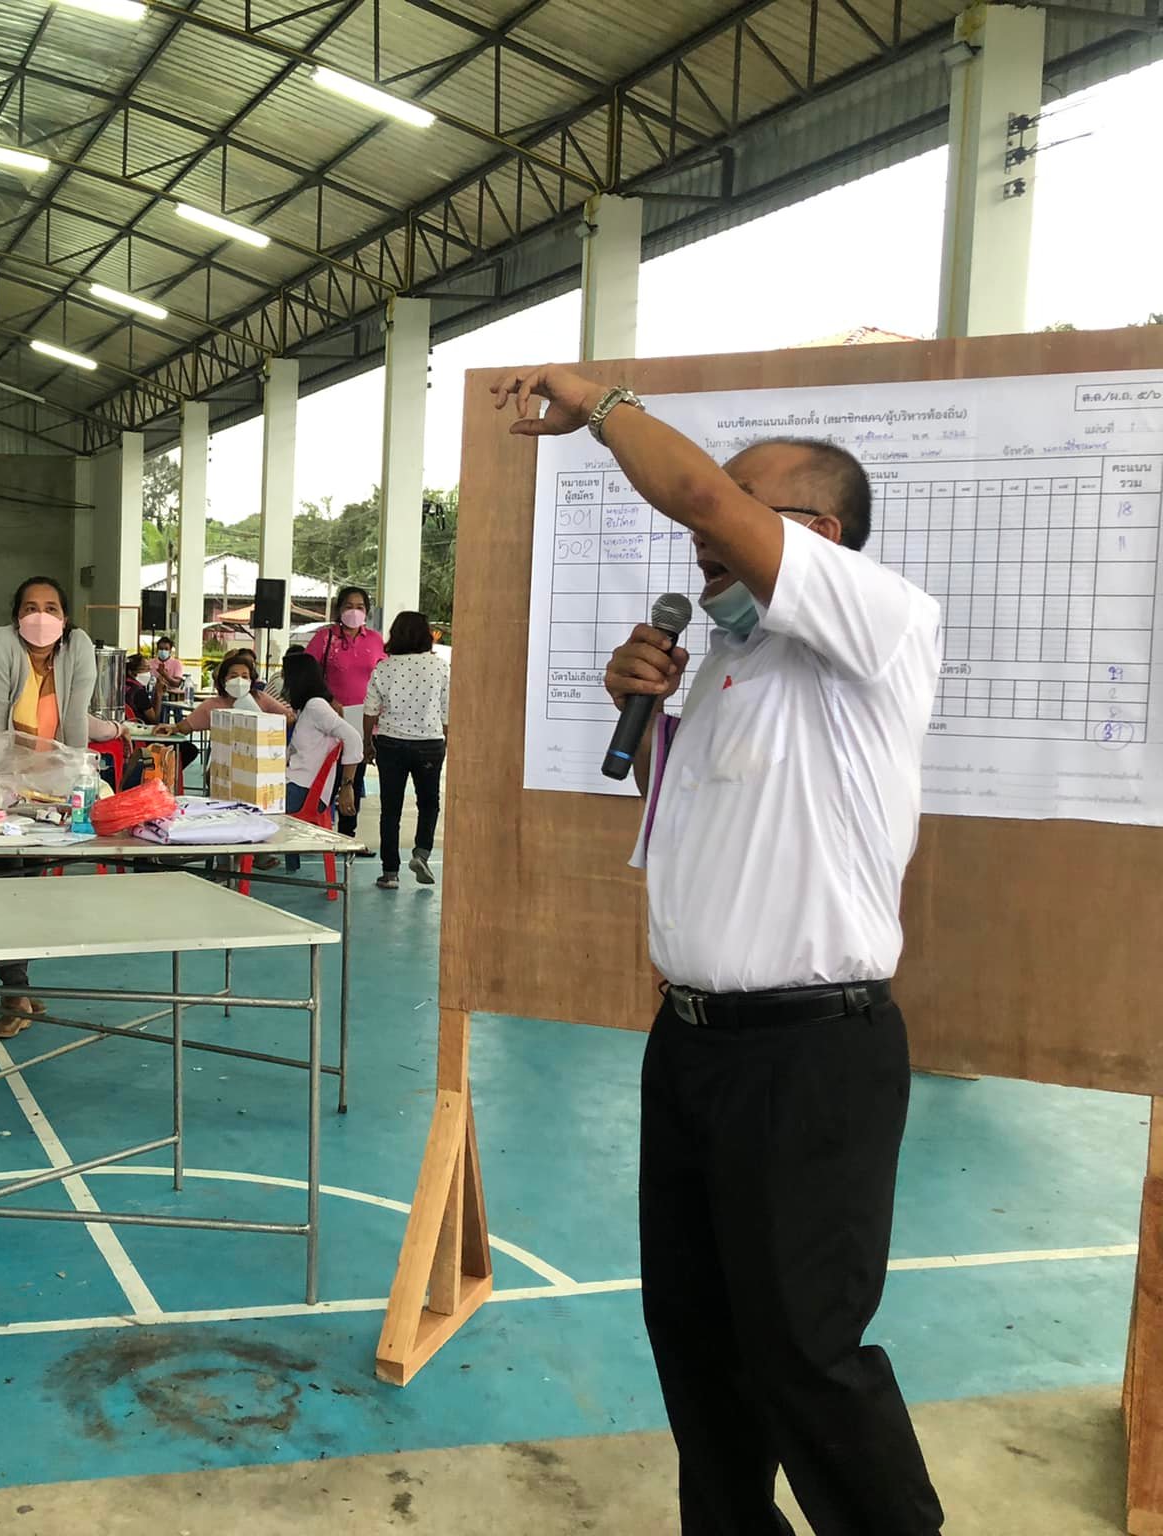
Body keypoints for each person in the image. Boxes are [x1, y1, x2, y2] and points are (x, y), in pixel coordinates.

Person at [496, 362, 945, 1536]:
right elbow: (697, 834)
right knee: (696, 1340)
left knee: (805, 1352)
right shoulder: (731, 672)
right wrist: (639, 713)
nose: (708, 527)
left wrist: (599, 408)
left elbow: (696, 495)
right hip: (691, 1044)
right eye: (722, 502)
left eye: (749, 504)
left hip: (809, 1056)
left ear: (820, 534)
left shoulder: (878, 621)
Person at [0, 576, 129, 1038]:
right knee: (6, 887)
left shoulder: (76, 648)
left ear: (65, 617)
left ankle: (19, 985)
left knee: (29, 888)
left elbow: (76, 720)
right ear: (16, 615)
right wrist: (2, 788)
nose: (41, 616)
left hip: (54, 788)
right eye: (31, 607)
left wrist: (78, 784)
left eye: (52, 608)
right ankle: (14, 992)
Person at [363, 612, 449, 891]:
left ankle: (390, 873)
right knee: (428, 803)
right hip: (429, 743)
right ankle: (421, 853)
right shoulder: (440, 667)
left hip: (391, 743)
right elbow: (447, 710)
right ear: (426, 635)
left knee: (391, 810)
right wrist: (443, 742)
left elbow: (370, 711)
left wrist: (368, 743)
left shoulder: (384, 668)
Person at [306, 586, 386, 841]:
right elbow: (305, 673)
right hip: (328, 721)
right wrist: (328, 699)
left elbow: (383, 675)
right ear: (339, 610)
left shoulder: (374, 639)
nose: (354, 612)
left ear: (367, 612)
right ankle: (319, 832)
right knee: (326, 777)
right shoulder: (324, 638)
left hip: (362, 720)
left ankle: (348, 836)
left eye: (360, 607)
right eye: (349, 606)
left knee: (355, 777)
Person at [277, 650, 361, 872]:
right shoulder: (307, 708)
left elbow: (353, 737)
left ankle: (245, 860)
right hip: (296, 784)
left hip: (304, 791)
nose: (282, 681)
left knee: (248, 805)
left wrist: (347, 786)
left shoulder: (317, 707)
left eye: (285, 675)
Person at [171, 648, 294, 733]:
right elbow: (186, 726)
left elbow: (289, 718)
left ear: (251, 681)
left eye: (245, 676)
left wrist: (264, 722)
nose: (239, 681)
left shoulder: (260, 698)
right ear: (224, 680)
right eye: (234, 676)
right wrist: (171, 729)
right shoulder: (212, 705)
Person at [125, 653, 161, 726]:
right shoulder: (138, 692)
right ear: (131, 672)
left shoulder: (121, 685)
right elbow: (154, 720)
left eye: (149, 668)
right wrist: (158, 693)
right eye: (145, 668)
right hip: (138, 729)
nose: (148, 672)